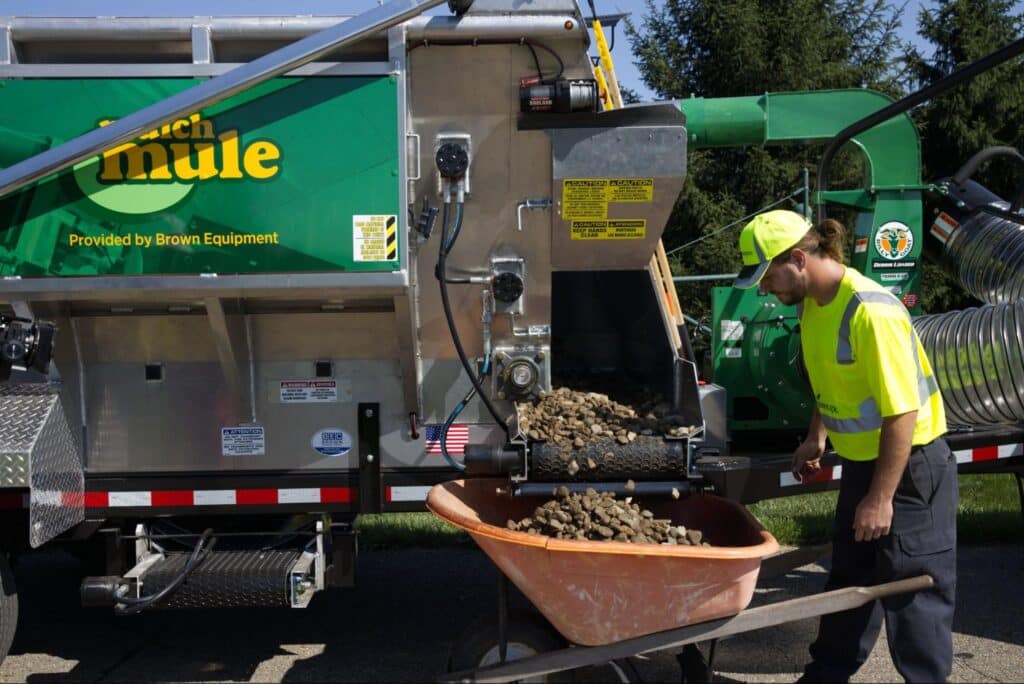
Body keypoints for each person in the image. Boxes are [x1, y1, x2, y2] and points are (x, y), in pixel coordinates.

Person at [734, 210, 957, 683]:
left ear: (798, 258)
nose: (763, 289)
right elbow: (829, 379)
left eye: (767, 276)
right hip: (864, 464)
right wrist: (818, 435)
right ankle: (826, 677)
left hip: (911, 472)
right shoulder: (813, 305)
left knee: (911, 594)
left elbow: (901, 413)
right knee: (849, 582)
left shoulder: (870, 311)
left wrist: (880, 499)